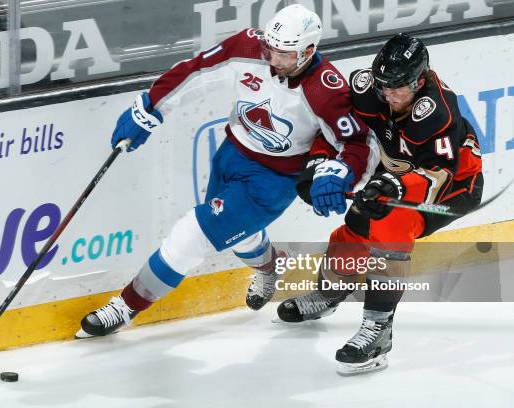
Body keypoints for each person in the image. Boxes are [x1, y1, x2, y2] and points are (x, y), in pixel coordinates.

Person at [75, 4, 378, 338]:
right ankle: (271, 265)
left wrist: (340, 174)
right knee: (241, 236)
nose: (272, 60)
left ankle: (126, 306)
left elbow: (357, 144)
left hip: (271, 183)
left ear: (307, 51)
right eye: (269, 49)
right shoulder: (248, 46)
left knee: (192, 231)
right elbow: (197, 71)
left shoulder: (326, 90)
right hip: (231, 155)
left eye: (284, 55)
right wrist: (150, 107)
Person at [277, 33, 484, 375]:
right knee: (356, 229)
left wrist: (395, 187)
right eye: (382, 84)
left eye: (396, 87)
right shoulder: (366, 88)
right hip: (396, 176)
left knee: (389, 224)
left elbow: (439, 177)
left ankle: (379, 330)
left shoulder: (437, 112)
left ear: (419, 82)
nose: (386, 95)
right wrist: (318, 164)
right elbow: (339, 132)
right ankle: (329, 294)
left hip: (451, 189)